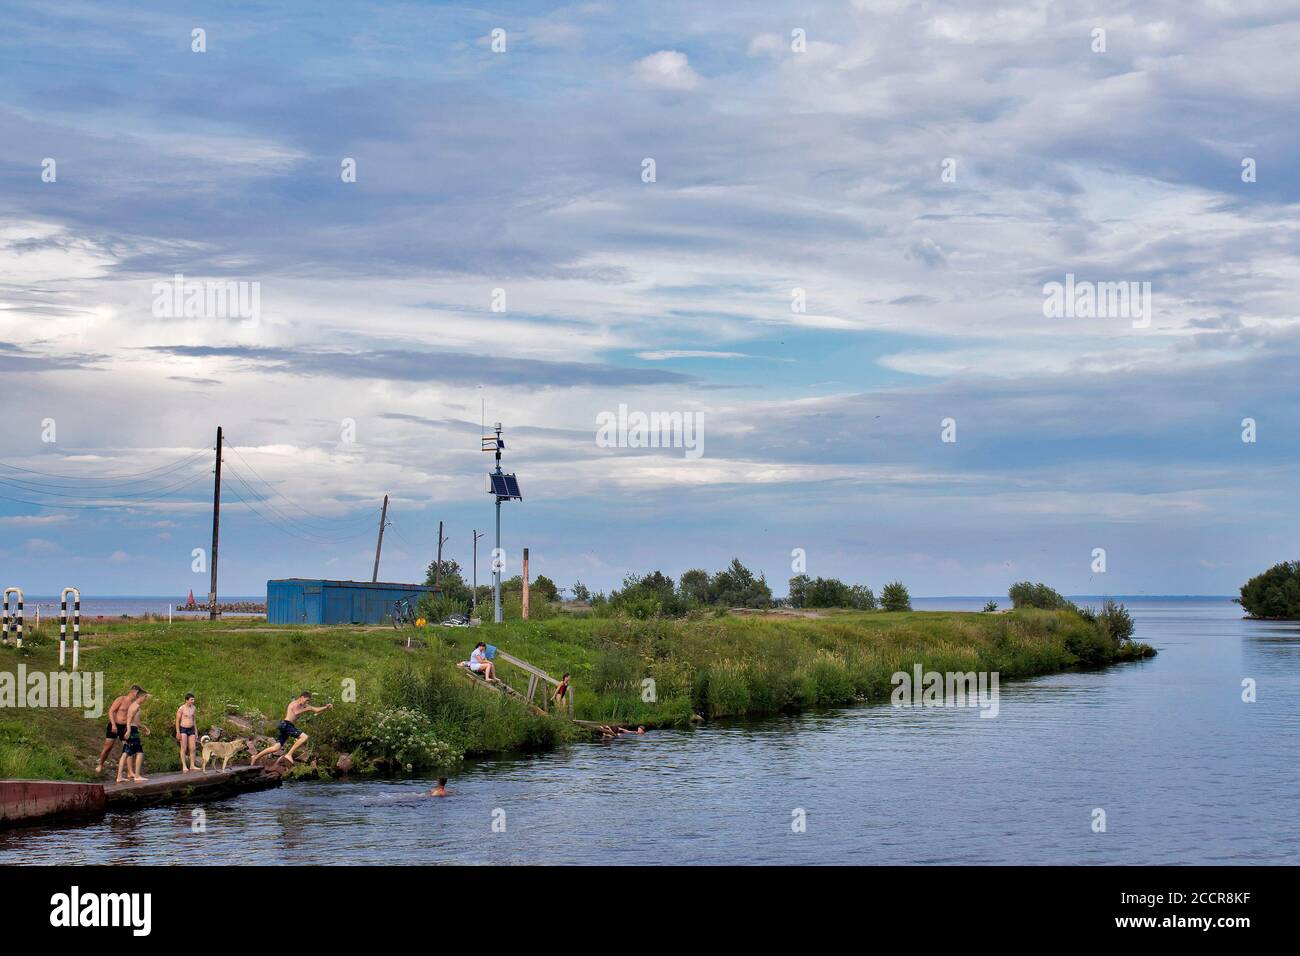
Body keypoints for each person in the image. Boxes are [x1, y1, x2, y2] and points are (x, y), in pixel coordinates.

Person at [250, 691, 332, 766]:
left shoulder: (304, 705)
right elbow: (296, 712)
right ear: (301, 697)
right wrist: (307, 709)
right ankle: (289, 754)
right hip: (286, 724)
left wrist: (326, 707)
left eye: (308, 701)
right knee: (304, 737)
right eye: (306, 700)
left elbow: (316, 710)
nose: (307, 702)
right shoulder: (295, 703)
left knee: (276, 747)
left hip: (287, 726)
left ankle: (256, 757)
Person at [95, 686, 138, 774]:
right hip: (114, 725)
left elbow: (133, 718)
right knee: (108, 748)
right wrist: (113, 725)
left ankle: (130, 771)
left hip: (125, 727)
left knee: (129, 747)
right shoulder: (121, 699)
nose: (137, 696)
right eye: (137, 694)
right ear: (132, 692)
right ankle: (100, 764)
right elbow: (111, 711)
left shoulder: (133, 704)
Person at [116, 688, 151, 783]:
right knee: (140, 752)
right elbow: (129, 718)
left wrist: (144, 728)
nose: (145, 699)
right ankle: (137, 776)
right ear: (140, 696)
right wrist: (129, 730)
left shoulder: (136, 706)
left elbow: (137, 721)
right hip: (132, 730)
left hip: (131, 728)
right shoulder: (135, 706)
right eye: (145, 697)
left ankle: (119, 777)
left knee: (126, 753)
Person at [175, 693, 199, 772]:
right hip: (183, 729)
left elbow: (194, 720)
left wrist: (196, 731)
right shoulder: (181, 708)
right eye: (191, 699)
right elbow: (177, 721)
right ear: (187, 700)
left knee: (193, 748)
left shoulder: (193, 708)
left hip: (191, 729)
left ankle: (192, 765)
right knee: (183, 748)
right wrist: (178, 732)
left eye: (193, 699)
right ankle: (184, 766)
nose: (193, 701)